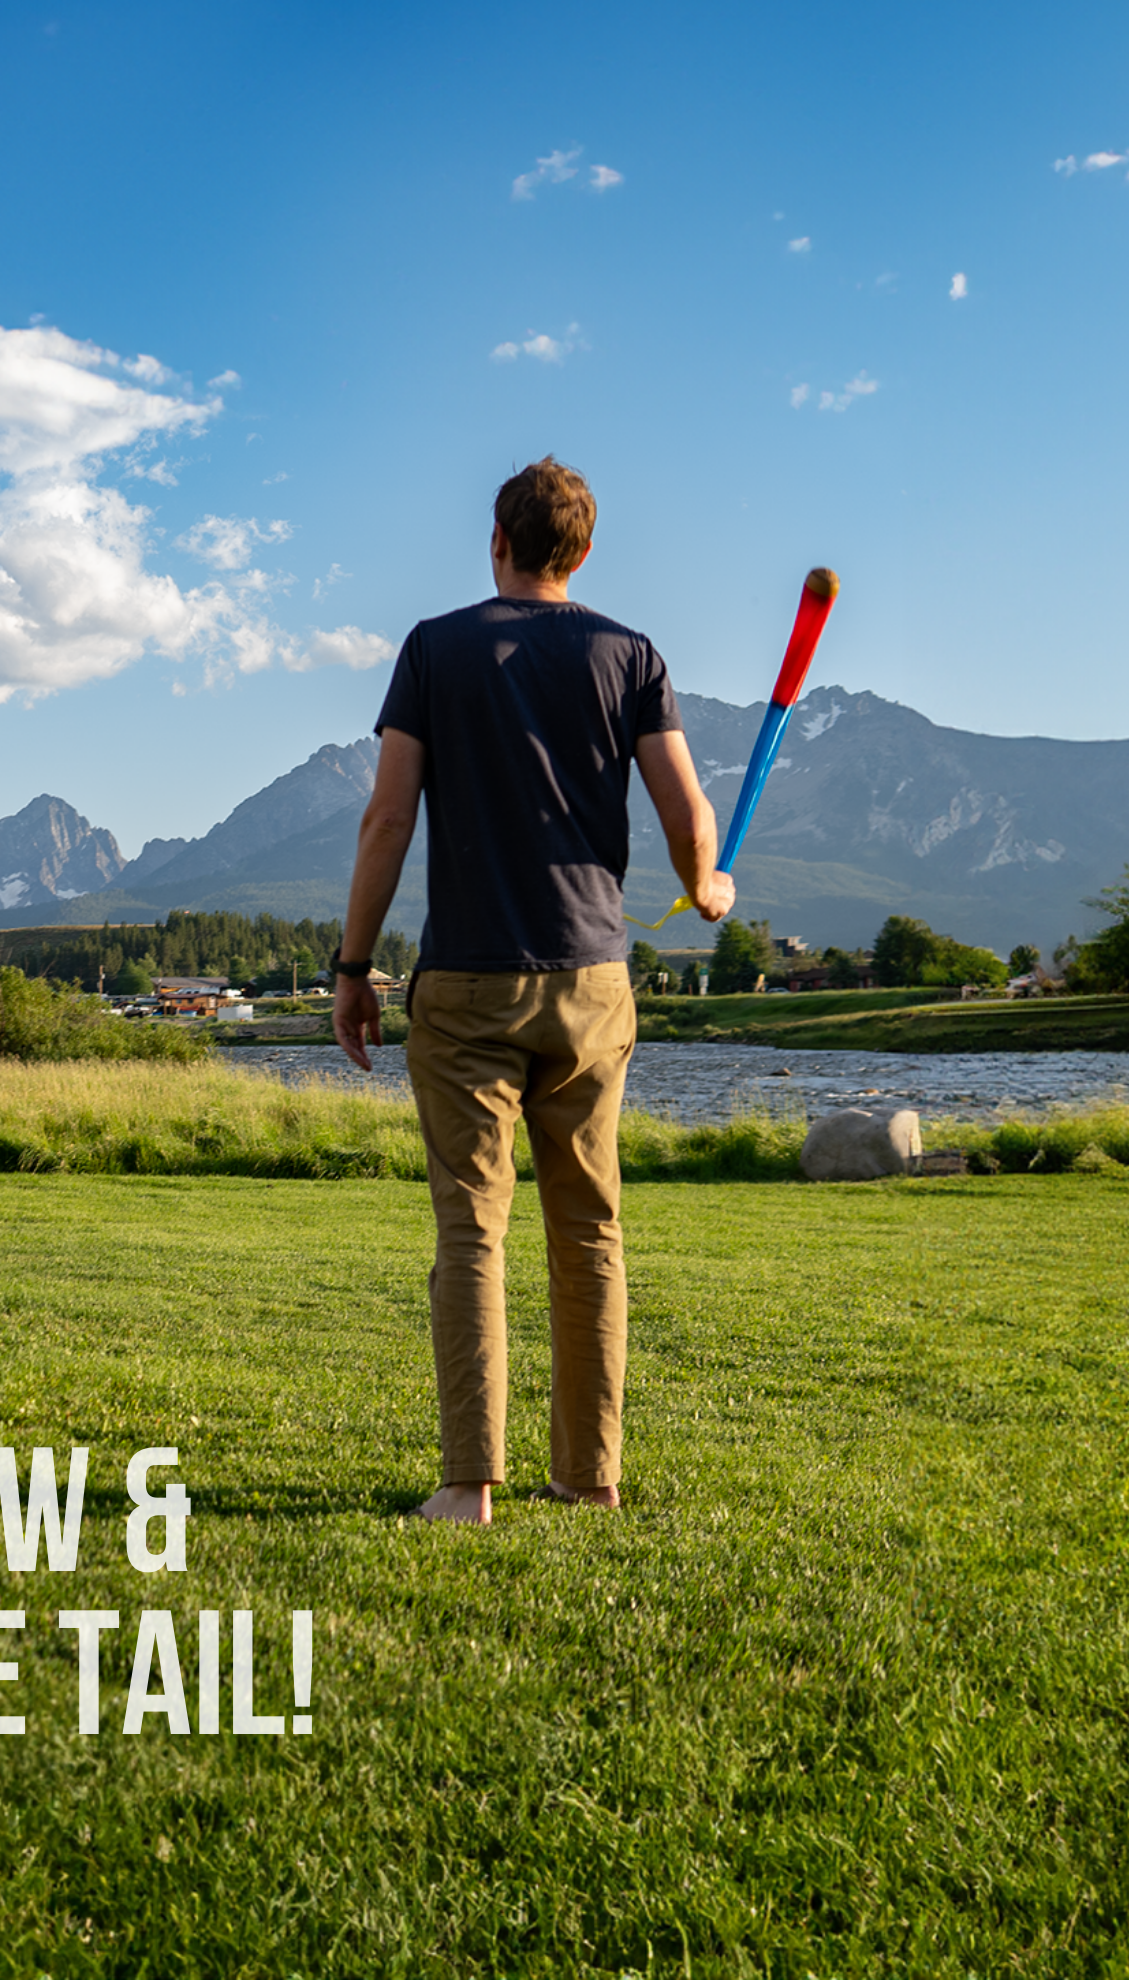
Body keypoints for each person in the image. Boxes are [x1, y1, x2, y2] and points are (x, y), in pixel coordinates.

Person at [330, 458, 733, 1523]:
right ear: (582, 553)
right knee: (587, 1230)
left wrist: (350, 965)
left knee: (471, 1232)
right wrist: (708, 886)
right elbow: (690, 818)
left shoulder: (432, 648)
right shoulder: (630, 653)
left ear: (493, 539)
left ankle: (467, 1484)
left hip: (463, 980)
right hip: (591, 978)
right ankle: (588, 1475)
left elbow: (385, 820)